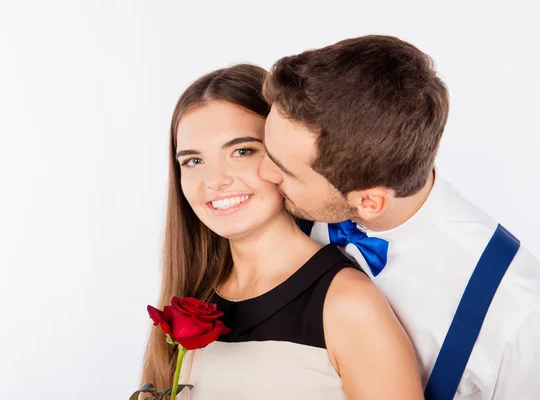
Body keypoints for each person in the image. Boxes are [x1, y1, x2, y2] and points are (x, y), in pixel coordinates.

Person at [259, 35, 540, 399]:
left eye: (286, 171)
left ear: (370, 201)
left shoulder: (516, 312)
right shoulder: (275, 214)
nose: (263, 173)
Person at [140, 64, 423, 399]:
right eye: (193, 161)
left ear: (283, 155)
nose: (215, 180)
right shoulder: (195, 299)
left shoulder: (348, 304)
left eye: (242, 151)